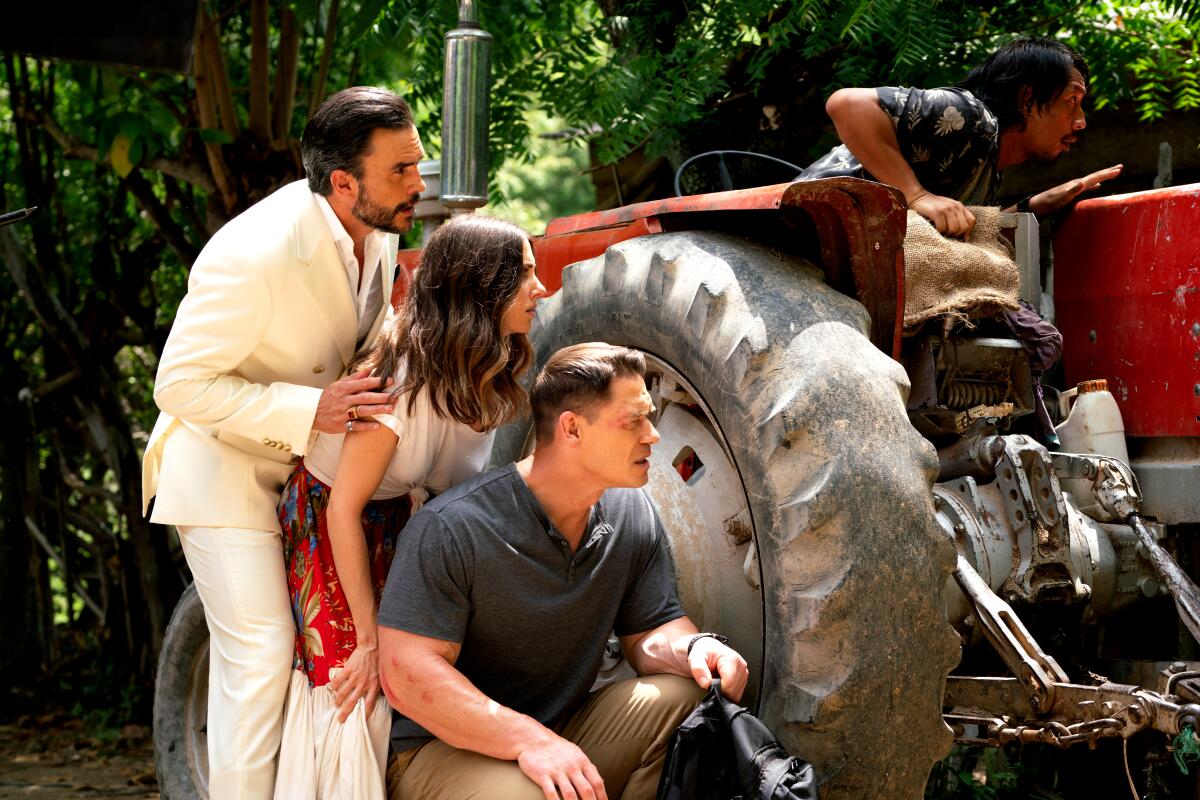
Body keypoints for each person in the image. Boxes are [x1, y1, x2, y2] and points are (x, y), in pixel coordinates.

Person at [142, 86, 425, 798]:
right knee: (263, 654)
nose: (419, 184)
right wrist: (311, 410)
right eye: (402, 170)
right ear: (342, 182)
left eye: (417, 164)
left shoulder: (379, 228)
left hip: (311, 481)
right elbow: (177, 386)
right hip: (221, 473)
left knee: (310, 661)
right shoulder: (252, 253)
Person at [376, 343, 751, 800]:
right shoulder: (452, 527)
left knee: (689, 700)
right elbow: (406, 676)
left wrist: (696, 648)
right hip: (442, 750)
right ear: (572, 429)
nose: (652, 435)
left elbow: (650, 631)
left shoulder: (631, 512)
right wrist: (529, 740)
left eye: (649, 417)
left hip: (558, 733)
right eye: (633, 420)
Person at [272, 214, 546, 799]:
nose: (540, 288)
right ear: (481, 286)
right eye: (524, 274)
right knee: (357, 680)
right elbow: (342, 509)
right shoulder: (400, 375)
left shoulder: (483, 367)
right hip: (331, 517)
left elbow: (455, 494)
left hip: (402, 516)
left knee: (420, 666)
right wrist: (370, 639)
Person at [802, 36, 1123, 236]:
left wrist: (1037, 205)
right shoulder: (973, 118)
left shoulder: (986, 164)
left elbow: (966, 222)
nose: (1080, 122)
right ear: (1027, 100)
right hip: (807, 228)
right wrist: (916, 196)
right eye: (1072, 102)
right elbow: (846, 103)